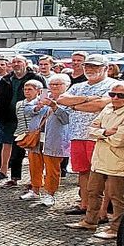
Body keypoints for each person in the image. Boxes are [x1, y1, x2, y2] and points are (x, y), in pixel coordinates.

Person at [66, 81, 124, 239]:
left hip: (119, 161)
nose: (115, 98)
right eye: (112, 94)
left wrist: (101, 134)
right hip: (100, 159)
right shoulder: (108, 108)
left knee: (116, 196)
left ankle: (116, 228)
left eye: (120, 95)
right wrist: (106, 132)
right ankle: (90, 221)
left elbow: (120, 140)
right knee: (93, 191)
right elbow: (91, 129)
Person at [56, 54, 116, 213]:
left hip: (98, 136)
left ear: (105, 68)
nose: (90, 69)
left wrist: (75, 104)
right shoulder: (78, 86)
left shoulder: (113, 85)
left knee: (101, 174)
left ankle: (102, 210)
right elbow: (61, 100)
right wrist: (87, 99)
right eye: (87, 66)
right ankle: (85, 205)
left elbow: (99, 105)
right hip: (77, 135)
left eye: (95, 66)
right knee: (83, 171)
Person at [0, 56, 47, 187]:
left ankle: (34, 180)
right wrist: (0, 115)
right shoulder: (6, 79)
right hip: (9, 118)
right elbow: (0, 98)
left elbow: (45, 94)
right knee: (10, 147)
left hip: (31, 118)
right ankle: (13, 177)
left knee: (33, 150)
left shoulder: (37, 78)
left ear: (25, 63)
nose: (16, 64)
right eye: (14, 62)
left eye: (19, 62)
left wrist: (41, 110)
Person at [28, 74, 72, 207]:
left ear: (66, 86)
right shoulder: (43, 97)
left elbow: (67, 119)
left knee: (52, 168)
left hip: (55, 138)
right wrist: (37, 107)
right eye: (52, 84)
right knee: (34, 164)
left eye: (58, 84)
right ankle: (35, 189)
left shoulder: (69, 100)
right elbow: (27, 109)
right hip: (37, 137)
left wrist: (55, 107)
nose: (54, 87)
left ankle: (50, 194)